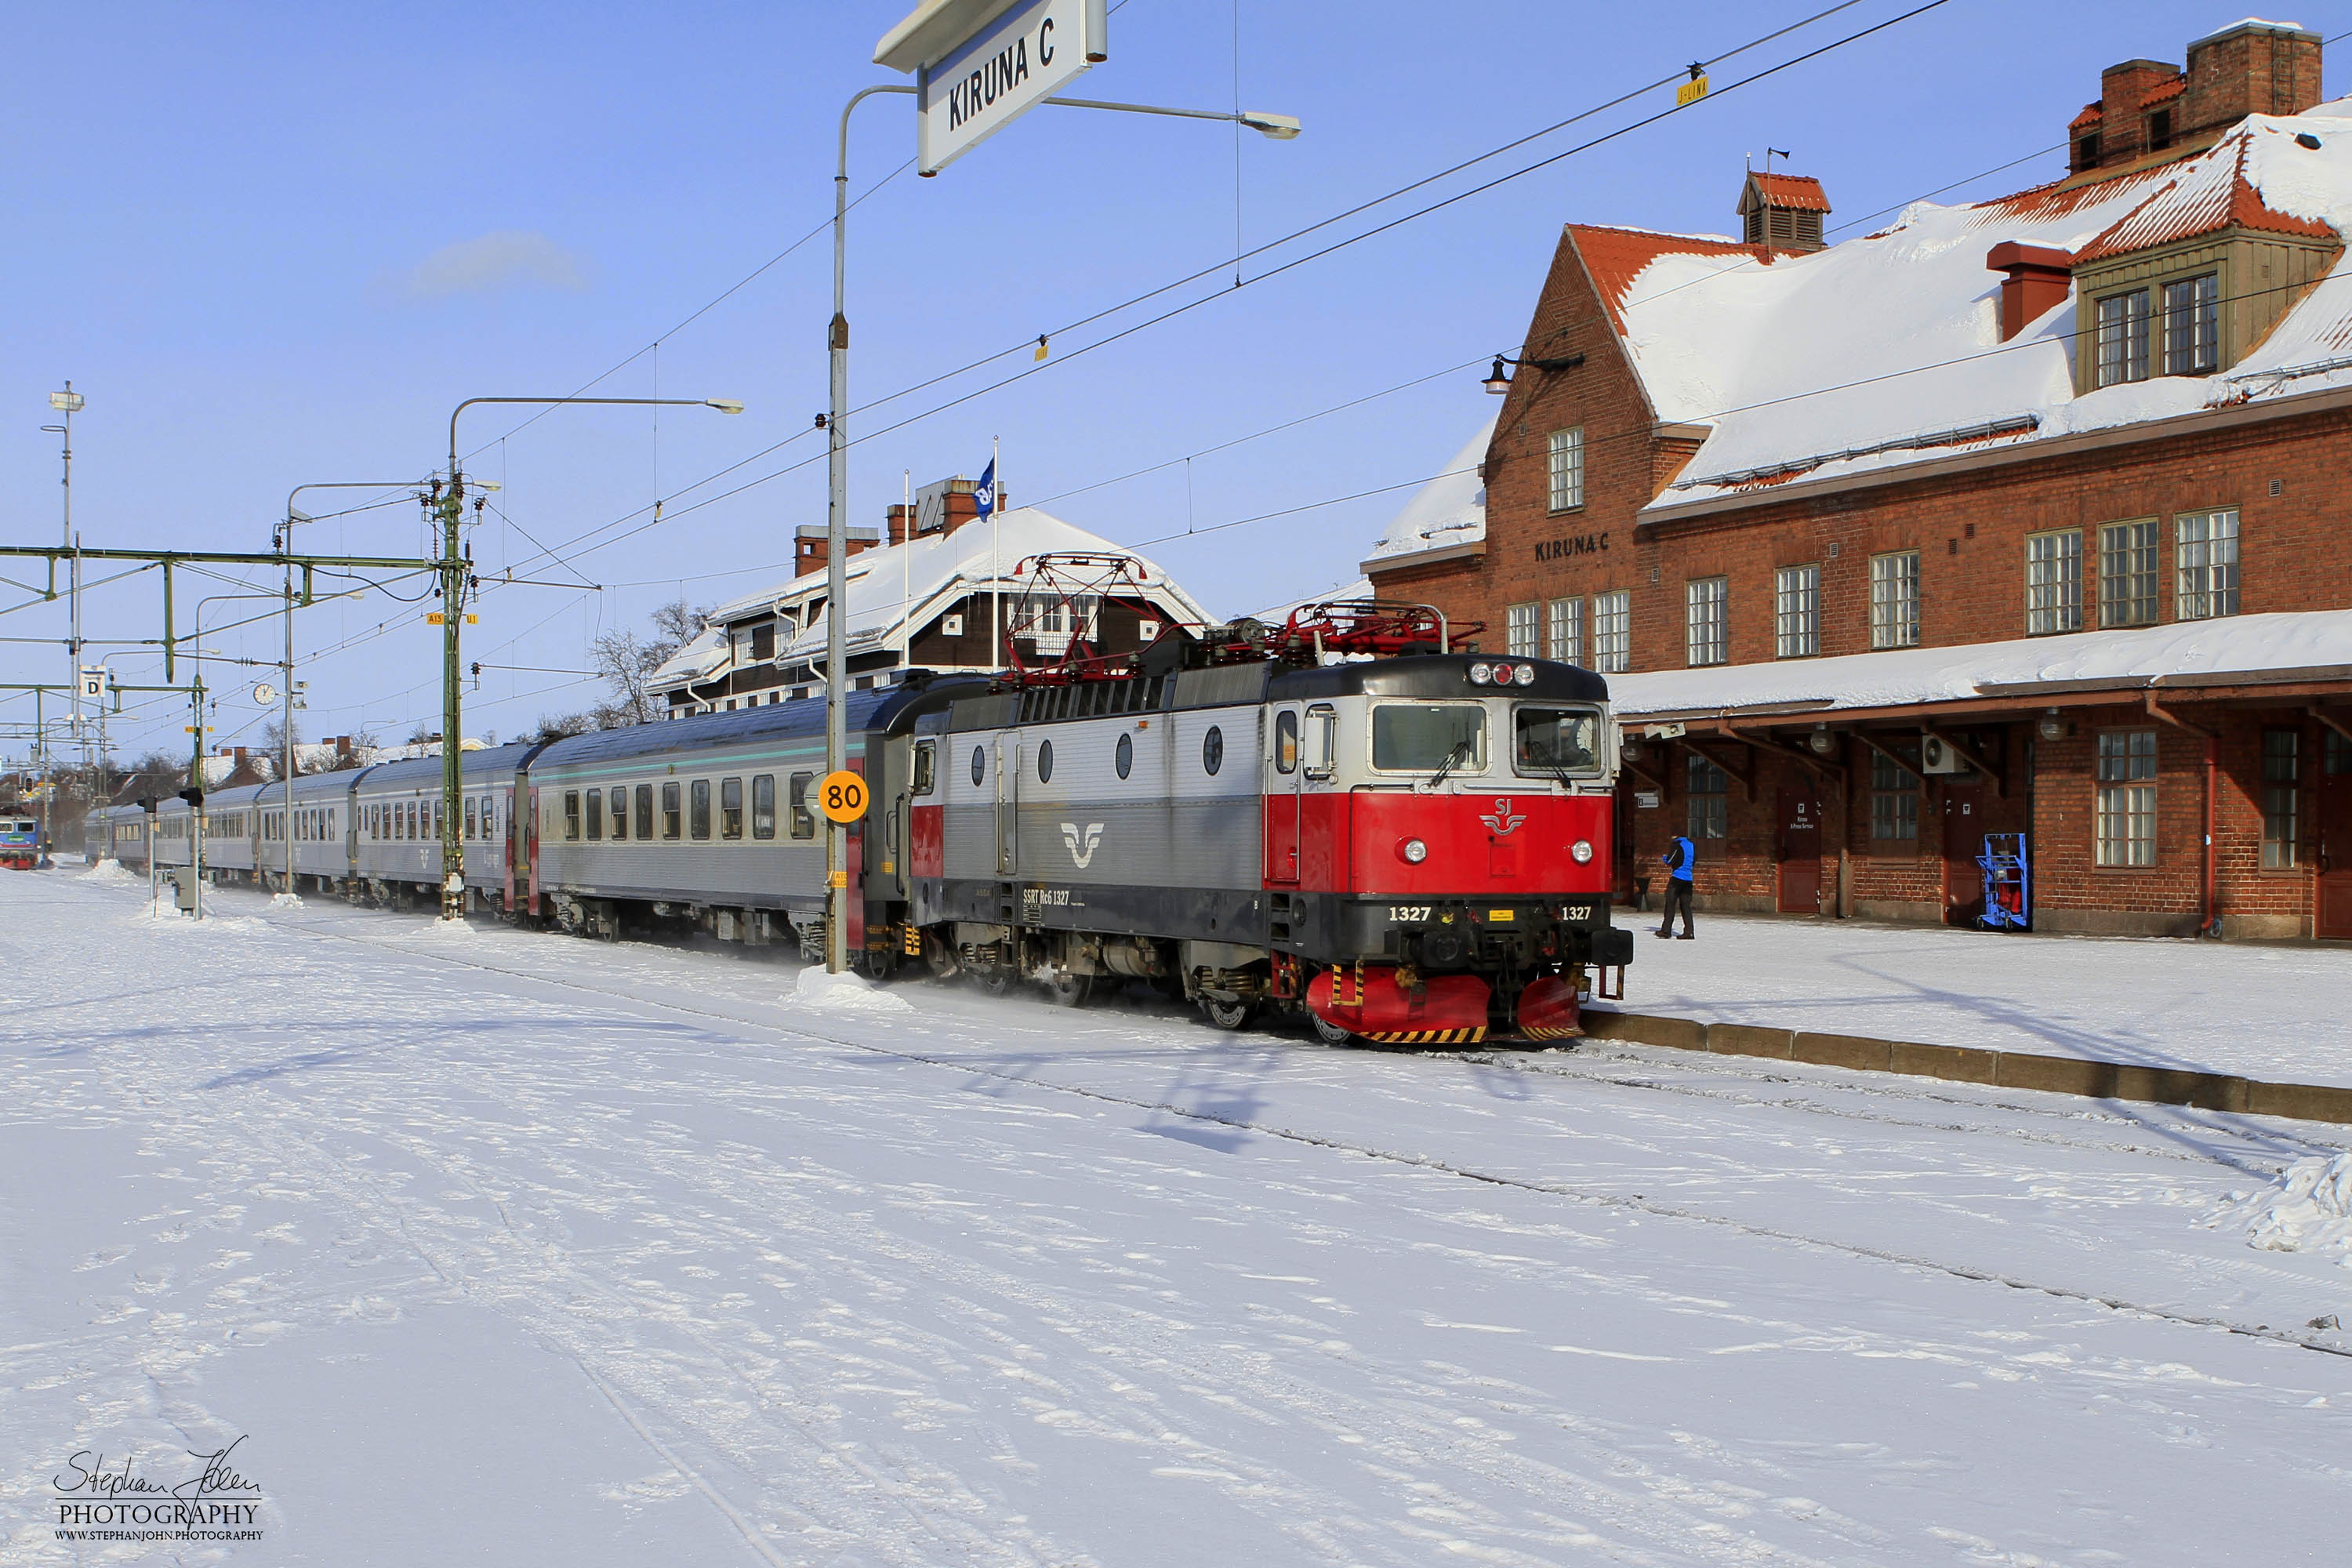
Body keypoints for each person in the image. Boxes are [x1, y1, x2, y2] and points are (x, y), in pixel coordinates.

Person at [1655, 833, 1695, 939]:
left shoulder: (1677, 844)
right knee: (1686, 906)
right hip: (1688, 879)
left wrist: (1665, 858)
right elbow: (1694, 860)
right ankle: (1689, 932)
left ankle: (1666, 930)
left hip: (1677, 878)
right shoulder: (1691, 845)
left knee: (1670, 903)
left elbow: (1670, 860)